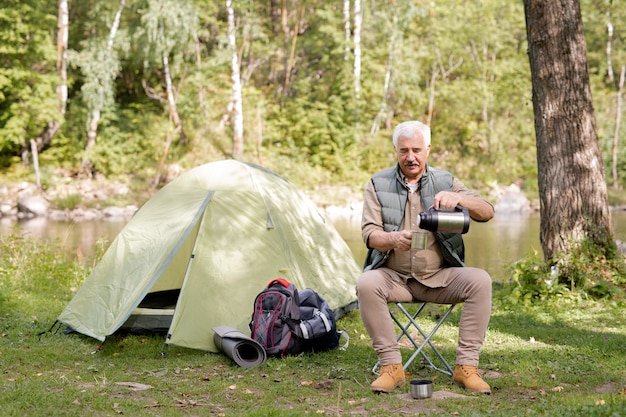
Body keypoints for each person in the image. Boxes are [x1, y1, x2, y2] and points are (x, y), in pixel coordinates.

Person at [356, 120, 494, 394]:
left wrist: (459, 199)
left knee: (480, 280)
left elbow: (487, 211)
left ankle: (466, 367)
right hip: (395, 279)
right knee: (366, 282)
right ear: (395, 150)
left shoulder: (446, 181)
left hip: (438, 278)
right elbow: (369, 234)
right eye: (404, 150)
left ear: (428, 149)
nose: (410, 157)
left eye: (417, 150)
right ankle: (391, 367)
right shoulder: (377, 183)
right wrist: (393, 239)